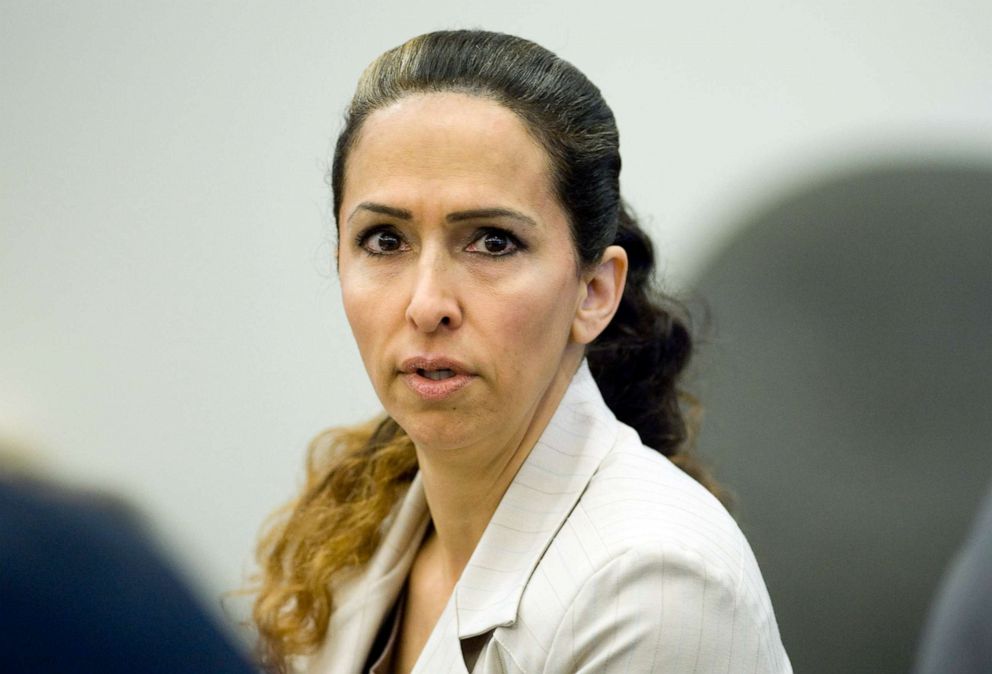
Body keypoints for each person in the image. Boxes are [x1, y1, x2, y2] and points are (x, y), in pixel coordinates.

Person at [252, 30, 791, 674]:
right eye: (385, 240)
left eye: (492, 242)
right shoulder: (353, 540)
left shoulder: (658, 590)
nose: (427, 304)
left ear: (594, 291)